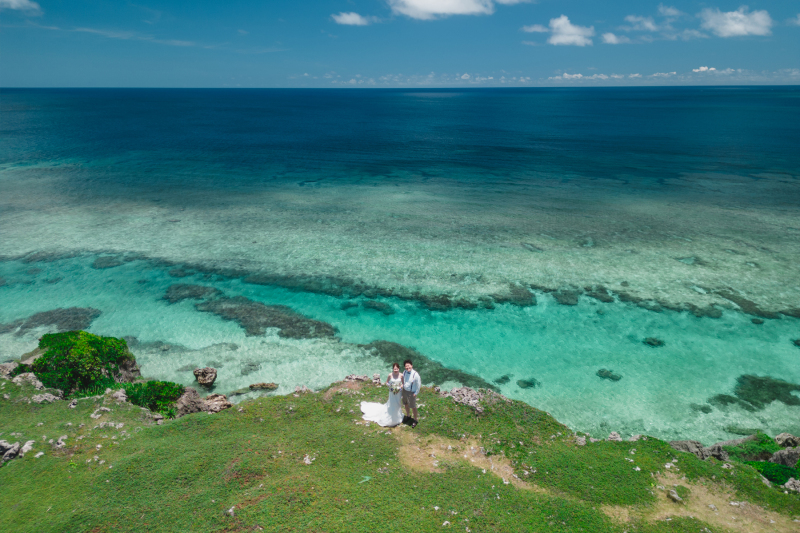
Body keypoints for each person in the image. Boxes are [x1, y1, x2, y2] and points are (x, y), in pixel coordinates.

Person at [360, 363, 404, 427]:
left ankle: (397, 416)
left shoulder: (401, 375)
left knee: (397, 403)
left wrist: (399, 387)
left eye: (397, 369)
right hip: (392, 392)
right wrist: (391, 386)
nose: (396, 370)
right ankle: (390, 417)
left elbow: (403, 383)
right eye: (394, 369)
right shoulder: (390, 375)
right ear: (393, 369)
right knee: (392, 403)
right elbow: (387, 382)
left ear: (399, 368)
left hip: (398, 392)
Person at [402, 359, 421, 428]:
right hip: (404, 390)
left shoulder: (415, 374)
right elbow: (403, 380)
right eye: (406, 366)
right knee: (406, 404)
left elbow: (419, 384)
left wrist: (416, 393)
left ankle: (415, 419)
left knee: (413, 406)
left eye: (408, 365)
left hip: (411, 392)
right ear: (404, 367)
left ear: (411, 365)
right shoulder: (404, 372)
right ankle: (408, 415)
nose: (407, 367)